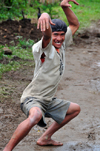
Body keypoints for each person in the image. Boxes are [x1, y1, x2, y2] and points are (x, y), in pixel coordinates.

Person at [3, 0, 80, 150]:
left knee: (75, 109)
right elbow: (47, 36)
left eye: (62, 35)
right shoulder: (44, 47)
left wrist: (64, 7)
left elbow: (75, 25)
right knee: (35, 116)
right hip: (32, 99)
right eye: (56, 34)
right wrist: (45, 14)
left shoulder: (61, 44)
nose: (58, 38)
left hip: (47, 101)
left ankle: (45, 137)